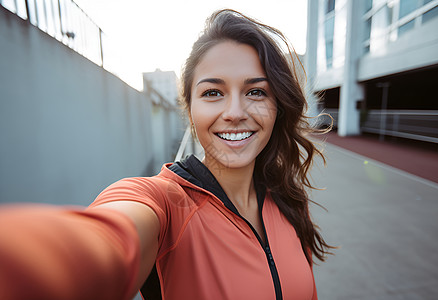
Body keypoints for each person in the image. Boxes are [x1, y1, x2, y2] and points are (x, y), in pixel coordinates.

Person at [0, 9, 332, 300]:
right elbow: (102, 243)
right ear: (190, 109)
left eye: (256, 91)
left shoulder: (288, 200)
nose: (234, 111)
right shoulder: (162, 204)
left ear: (277, 107)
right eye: (213, 92)